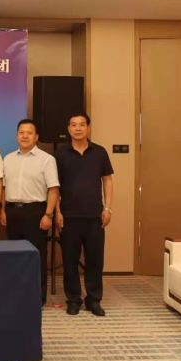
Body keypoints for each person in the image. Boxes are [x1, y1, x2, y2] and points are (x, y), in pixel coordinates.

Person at [55, 113, 114, 317]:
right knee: (70, 261)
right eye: (73, 125)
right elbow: (55, 186)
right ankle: (73, 299)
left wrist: (107, 208)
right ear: (68, 129)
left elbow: (107, 180)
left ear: (88, 127)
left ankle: (94, 300)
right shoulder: (60, 154)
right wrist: (57, 212)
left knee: (95, 261)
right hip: (68, 216)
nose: (78, 128)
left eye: (82, 124)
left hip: (94, 216)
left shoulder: (100, 152)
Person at [2, 119, 59, 305]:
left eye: (29, 133)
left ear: (36, 137)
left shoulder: (47, 160)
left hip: (36, 213)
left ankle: (37, 298)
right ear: (16, 136)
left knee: (36, 256)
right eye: (21, 133)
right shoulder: (8, 159)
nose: (25, 136)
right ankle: (16, 295)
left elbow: (53, 189)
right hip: (12, 211)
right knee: (14, 255)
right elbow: (3, 188)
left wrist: (48, 214)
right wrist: (2, 210)